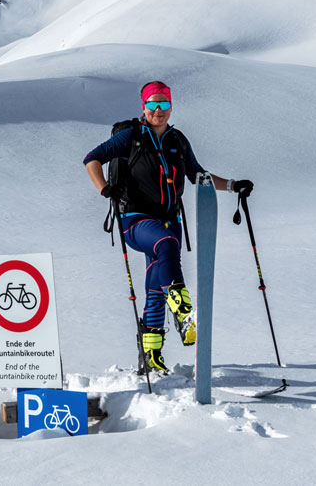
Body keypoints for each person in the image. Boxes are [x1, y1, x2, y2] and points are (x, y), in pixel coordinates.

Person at [83, 81, 253, 374]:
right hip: (135, 220)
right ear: (143, 107)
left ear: (171, 106)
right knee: (166, 244)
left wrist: (234, 186)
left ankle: (151, 355)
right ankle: (184, 311)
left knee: (154, 286)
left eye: (163, 104)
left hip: (170, 219)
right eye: (152, 104)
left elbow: (197, 175)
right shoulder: (130, 137)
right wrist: (104, 189)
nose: (158, 110)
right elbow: (92, 159)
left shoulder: (178, 140)